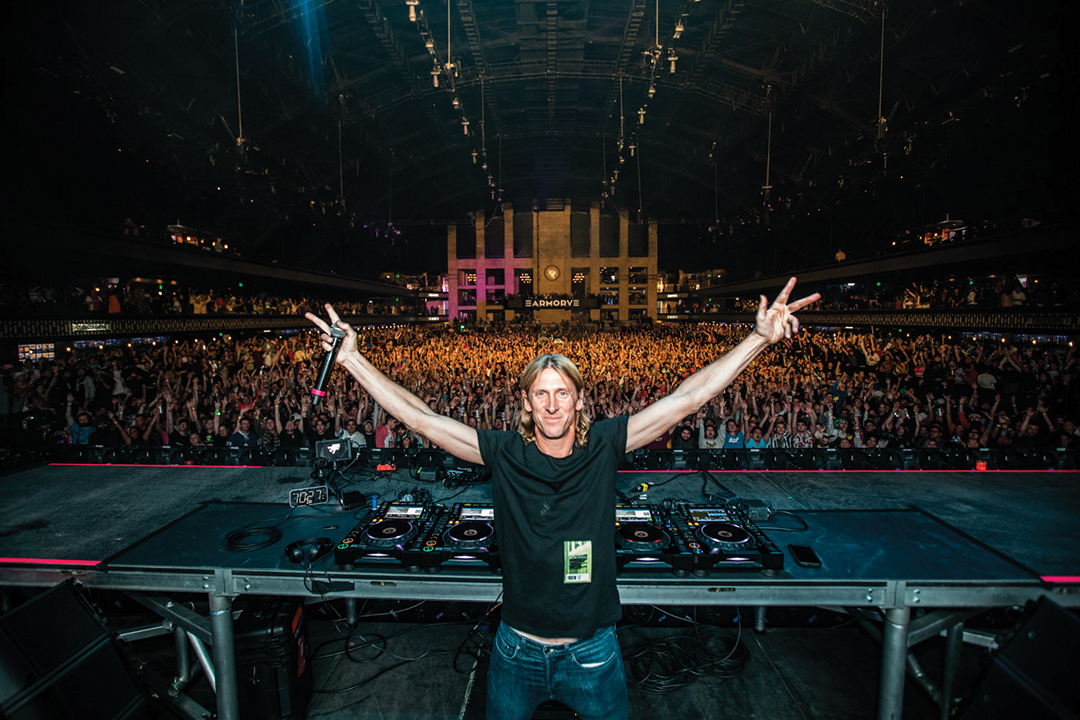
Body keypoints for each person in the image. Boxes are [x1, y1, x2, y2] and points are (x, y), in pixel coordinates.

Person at [307, 276, 818, 720]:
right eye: (541, 393)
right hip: (516, 649)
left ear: (578, 399)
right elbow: (419, 418)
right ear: (526, 402)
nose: (552, 405)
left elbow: (688, 398)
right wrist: (352, 360)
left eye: (562, 393)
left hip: (593, 651)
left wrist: (757, 338)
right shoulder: (503, 451)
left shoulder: (604, 445)